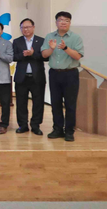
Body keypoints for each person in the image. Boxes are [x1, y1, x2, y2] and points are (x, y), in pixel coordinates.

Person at [41, 11, 84, 142]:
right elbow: (44, 55)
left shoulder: (75, 38)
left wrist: (65, 48)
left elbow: (78, 56)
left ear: (70, 23)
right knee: (55, 103)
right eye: (60, 20)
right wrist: (52, 48)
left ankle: (69, 131)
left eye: (66, 20)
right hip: (54, 74)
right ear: (56, 22)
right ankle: (57, 129)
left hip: (70, 74)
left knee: (70, 104)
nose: (63, 23)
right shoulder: (49, 36)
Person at [13, 18, 48, 135]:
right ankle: (23, 125)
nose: (25, 29)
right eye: (23, 27)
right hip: (21, 77)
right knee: (21, 103)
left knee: (38, 103)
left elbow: (46, 57)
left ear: (33, 27)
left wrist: (33, 54)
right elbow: (13, 57)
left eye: (28, 27)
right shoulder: (17, 41)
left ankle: (35, 125)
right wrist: (23, 55)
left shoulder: (41, 41)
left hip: (37, 77)